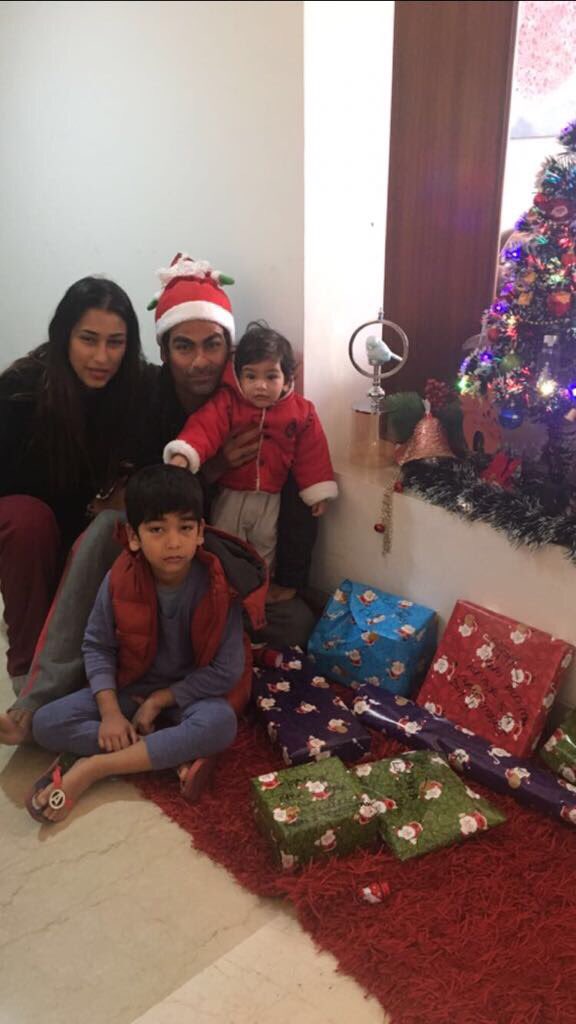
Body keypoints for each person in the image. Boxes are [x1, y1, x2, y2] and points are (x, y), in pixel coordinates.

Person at [0, 255, 318, 746]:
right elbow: (149, 494)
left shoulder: (266, 400)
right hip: (157, 538)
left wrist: (290, 579)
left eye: (213, 345)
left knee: (296, 622)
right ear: (164, 350)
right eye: (184, 346)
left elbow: (303, 486)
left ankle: (167, 693)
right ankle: (39, 698)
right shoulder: (144, 397)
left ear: (231, 349)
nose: (199, 361)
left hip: (219, 553)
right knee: (101, 535)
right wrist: (211, 468)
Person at [27, 464, 266, 823]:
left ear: (200, 532)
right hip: (133, 687)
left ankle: (95, 767)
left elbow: (226, 670)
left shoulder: (219, 586)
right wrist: (110, 713)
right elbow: (97, 645)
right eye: (157, 529)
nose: (173, 542)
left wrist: (160, 700)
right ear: (133, 536)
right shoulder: (120, 578)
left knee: (220, 724)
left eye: (185, 528)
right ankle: (169, 752)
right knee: (46, 723)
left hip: (191, 696)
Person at [0, 276, 144, 695]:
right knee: (29, 520)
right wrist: (95, 499)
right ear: (64, 336)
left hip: (92, 532)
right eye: (88, 339)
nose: (102, 357)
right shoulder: (20, 390)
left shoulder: (139, 388)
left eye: (115, 342)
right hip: (28, 530)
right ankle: (29, 677)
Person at [165, 321, 337, 583]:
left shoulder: (301, 412)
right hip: (231, 493)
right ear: (238, 376)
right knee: (224, 543)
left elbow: (312, 453)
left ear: (287, 379)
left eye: (271, 377)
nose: (260, 386)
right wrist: (184, 455)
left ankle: (258, 589)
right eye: (251, 376)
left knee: (265, 545)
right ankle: (222, 587)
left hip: (270, 496)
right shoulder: (227, 403)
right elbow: (204, 428)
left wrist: (317, 490)